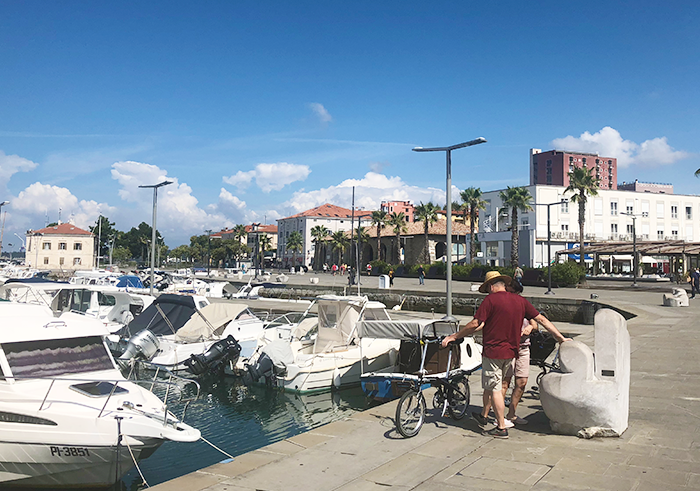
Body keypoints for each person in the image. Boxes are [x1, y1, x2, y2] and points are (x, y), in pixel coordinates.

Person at [442, 271, 571, 439]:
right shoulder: (520, 301)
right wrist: (561, 338)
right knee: (495, 385)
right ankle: (484, 415)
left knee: (495, 388)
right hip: (511, 352)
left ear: (491, 286)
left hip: (493, 352)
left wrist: (453, 336)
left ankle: (501, 427)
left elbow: (476, 323)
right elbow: (542, 320)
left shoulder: (490, 300)